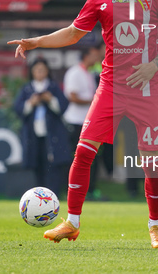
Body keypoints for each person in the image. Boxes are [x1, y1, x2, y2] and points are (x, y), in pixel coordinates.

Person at [8, 0, 158, 248]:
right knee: (84, 152)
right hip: (111, 88)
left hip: (147, 89)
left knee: (151, 163)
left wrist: (154, 65)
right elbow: (75, 33)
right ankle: (71, 223)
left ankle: (155, 226)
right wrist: (37, 41)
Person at [15, 58, 71, 196]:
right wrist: (31, 103)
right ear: (32, 72)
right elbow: (18, 108)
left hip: (52, 135)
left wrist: (50, 100)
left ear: (47, 72)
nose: (40, 73)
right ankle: (38, 198)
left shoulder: (52, 87)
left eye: (42, 70)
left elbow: (63, 107)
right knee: (36, 165)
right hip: (33, 135)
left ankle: (53, 197)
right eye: (37, 70)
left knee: (52, 167)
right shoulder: (27, 88)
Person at [63, 46, 106, 200]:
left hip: (89, 122)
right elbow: (72, 97)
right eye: (94, 54)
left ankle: (90, 190)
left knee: (93, 159)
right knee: (78, 159)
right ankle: (74, 192)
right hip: (75, 122)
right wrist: (95, 101)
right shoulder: (74, 72)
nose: (97, 58)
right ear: (86, 56)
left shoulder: (90, 73)